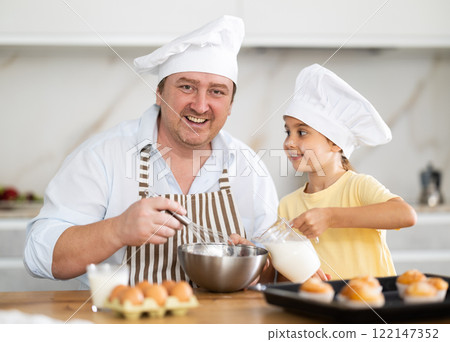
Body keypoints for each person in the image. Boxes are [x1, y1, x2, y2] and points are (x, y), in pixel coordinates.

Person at [24, 15, 278, 288]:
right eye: (187, 87)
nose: (201, 105)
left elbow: (272, 273)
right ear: (159, 93)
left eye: (217, 92)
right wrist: (117, 230)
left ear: (230, 106)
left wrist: (254, 263)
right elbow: (39, 256)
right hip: (122, 322)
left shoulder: (248, 166)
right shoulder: (102, 155)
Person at [277, 64, 417, 281]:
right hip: (323, 309)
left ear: (335, 143)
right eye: (288, 131)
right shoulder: (287, 205)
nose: (289, 142)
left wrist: (330, 217)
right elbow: (281, 275)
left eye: (302, 132)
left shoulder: (358, 187)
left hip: (373, 306)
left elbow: (405, 215)